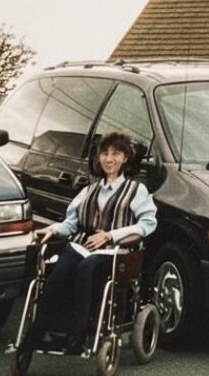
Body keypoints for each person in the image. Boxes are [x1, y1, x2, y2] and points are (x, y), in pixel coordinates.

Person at [32, 132, 157, 348]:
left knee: (86, 269)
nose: (109, 159)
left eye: (116, 154)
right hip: (83, 246)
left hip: (115, 250)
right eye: (105, 154)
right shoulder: (89, 190)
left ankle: (78, 332)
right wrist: (51, 229)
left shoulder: (136, 190)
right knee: (58, 272)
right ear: (99, 158)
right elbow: (71, 224)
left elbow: (147, 224)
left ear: (125, 158)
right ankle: (39, 332)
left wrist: (110, 235)